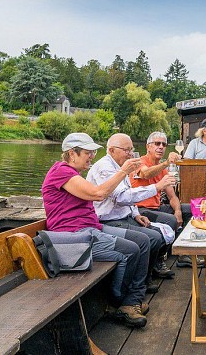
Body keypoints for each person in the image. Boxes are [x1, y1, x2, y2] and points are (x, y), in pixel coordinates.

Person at [41, 132, 150, 328]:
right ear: (72, 154)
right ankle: (121, 304)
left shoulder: (72, 174)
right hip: (74, 237)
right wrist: (123, 171)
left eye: (93, 152)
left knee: (142, 241)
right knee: (130, 250)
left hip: (91, 229)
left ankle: (132, 298)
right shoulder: (61, 172)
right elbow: (98, 194)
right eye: (87, 152)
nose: (92, 156)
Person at [87, 133, 178, 287]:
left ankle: (145, 278)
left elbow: (127, 192)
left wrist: (136, 214)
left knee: (158, 234)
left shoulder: (120, 166)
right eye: (126, 150)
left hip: (125, 216)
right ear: (111, 150)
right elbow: (122, 197)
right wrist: (156, 186)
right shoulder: (105, 167)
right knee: (150, 239)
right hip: (109, 220)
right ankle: (137, 286)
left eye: (131, 150)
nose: (130, 154)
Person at [131, 131, 197, 268]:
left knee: (191, 209)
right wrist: (166, 162)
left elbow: (172, 196)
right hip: (140, 209)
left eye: (164, 144)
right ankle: (158, 261)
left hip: (156, 207)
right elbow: (146, 174)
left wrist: (178, 210)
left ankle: (182, 253)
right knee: (170, 220)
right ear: (148, 146)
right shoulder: (139, 161)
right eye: (157, 144)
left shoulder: (163, 169)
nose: (161, 147)